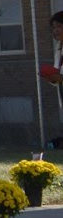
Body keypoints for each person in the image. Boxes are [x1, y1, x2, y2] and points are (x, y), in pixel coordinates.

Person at [42, 11, 63, 147]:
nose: (55, 31)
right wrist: (52, 79)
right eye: (53, 28)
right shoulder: (59, 48)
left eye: (59, 26)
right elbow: (58, 73)